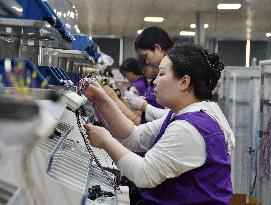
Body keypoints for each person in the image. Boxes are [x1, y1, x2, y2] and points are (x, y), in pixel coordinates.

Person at [82, 44, 235, 205]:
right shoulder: (181, 114)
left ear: (184, 82)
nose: (155, 81)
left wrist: (106, 141)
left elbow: (144, 174)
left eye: (161, 74)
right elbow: (134, 136)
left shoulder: (190, 128)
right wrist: (102, 99)